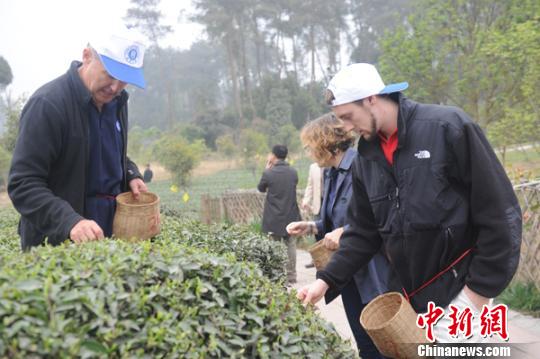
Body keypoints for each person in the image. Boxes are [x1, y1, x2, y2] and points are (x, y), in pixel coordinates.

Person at [297, 63, 522, 343]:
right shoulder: (366, 160)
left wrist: (477, 293)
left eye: (347, 116)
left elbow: (501, 212)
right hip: (410, 299)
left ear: (371, 99)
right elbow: (362, 233)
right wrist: (324, 281)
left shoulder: (447, 127)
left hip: (461, 293)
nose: (346, 128)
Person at [8, 26, 148, 251]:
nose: (115, 87)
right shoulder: (48, 104)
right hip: (58, 245)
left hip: (109, 243)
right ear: (86, 56)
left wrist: (130, 173)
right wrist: (70, 221)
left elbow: (104, 150)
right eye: (110, 74)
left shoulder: (117, 102)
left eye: (124, 80)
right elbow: (23, 184)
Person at [287, 114, 390, 357]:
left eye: (310, 146)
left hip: (373, 270)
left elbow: (379, 216)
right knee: (365, 344)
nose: (309, 152)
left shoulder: (362, 166)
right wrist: (312, 226)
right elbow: (338, 219)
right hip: (346, 273)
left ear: (327, 144)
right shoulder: (330, 174)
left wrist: (344, 232)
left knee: (384, 343)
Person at [258, 144, 301, 284]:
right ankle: (292, 275)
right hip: (290, 214)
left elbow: (261, 189)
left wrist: (266, 169)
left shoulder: (269, 173)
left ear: (274, 156)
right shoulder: (293, 172)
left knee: (275, 245)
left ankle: (278, 274)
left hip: (273, 216)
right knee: (291, 244)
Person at [301, 162, 323, 269]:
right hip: (318, 204)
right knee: (317, 232)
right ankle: (317, 259)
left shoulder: (332, 163)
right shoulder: (313, 167)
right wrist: (306, 200)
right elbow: (310, 186)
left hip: (332, 202)